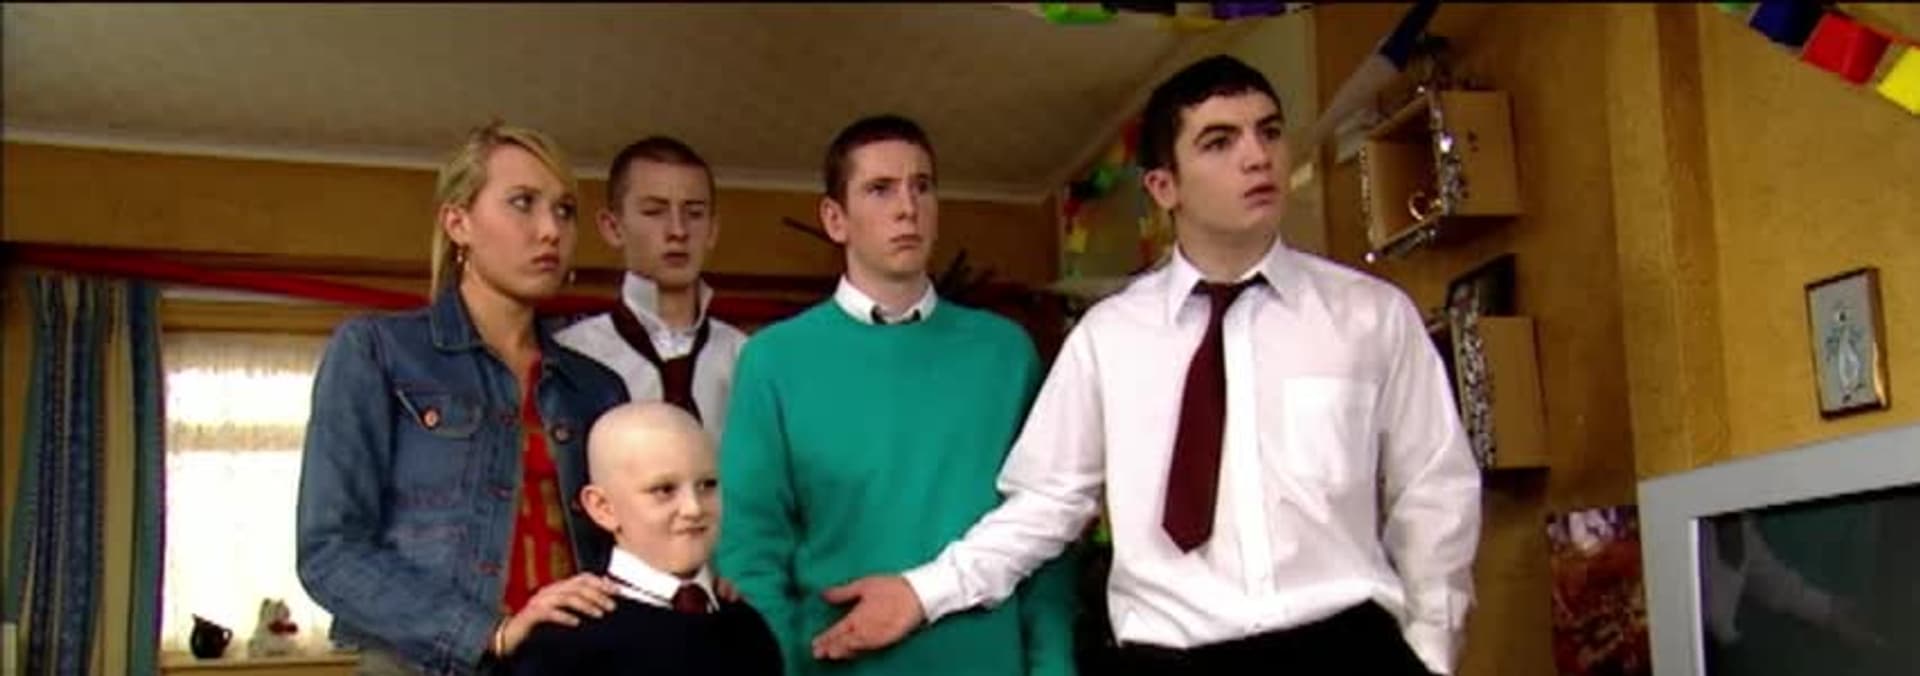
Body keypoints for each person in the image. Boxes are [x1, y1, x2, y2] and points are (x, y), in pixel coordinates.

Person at [811, 55, 1483, 676]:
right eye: (1219, 142)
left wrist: (1431, 652)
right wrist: (923, 592)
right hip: (1167, 654)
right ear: (1164, 186)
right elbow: (1045, 504)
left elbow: (1434, 489)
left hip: (1345, 647)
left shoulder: (1370, 317)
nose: (1257, 156)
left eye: (1269, 132)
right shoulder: (1108, 340)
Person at [715, 114, 1079, 675]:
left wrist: (1053, 667)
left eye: (922, 186)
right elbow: (751, 549)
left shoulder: (1006, 352)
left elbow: (1046, 528)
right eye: (880, 189)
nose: (907, 207)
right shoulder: (773, 359)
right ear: (835, 219)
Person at [297, 122, 629, 675]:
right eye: (523, 203)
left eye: (565, 210)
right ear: (458, 223)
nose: (550, 229)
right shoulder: (377, 351)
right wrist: (487, 632)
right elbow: (330, 552)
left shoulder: (596, 387)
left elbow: (627, 547)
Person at [506, 402, 782, 675]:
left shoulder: (747, 627)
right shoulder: (563, 643)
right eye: (664, 490)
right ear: (603, 507)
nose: (694, 508)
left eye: (707, 485)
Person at [556, 136, 747, 439]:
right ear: (613, 227)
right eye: (654, 211)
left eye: (694, 213)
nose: (678, 231)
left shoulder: (747, 360)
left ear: (712, 229)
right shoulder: (570, 357)